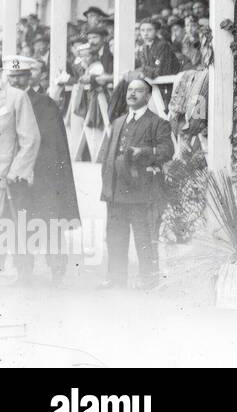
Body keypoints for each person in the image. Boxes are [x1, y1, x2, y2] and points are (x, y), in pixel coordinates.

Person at [4, 56, 79, 286]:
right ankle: (23, 270)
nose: (16, 81)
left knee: (49, 220)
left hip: (41, 174)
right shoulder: (4, 102)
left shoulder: (44, 104)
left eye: (21, 76)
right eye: (12, 77)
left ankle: (57, 270)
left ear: (30, 77)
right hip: (12, 175)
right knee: (17, 222)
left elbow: (51, 143)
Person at [96, 75, 174, 290]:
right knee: (115, 237)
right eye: (130, 90)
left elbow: (168, 151)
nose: (132, 93)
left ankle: (148, 280)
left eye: (138, 91)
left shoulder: (158, 123)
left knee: (143, 237)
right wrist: (106, 187)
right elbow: (108, 156)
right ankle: (115, 279)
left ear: (147, 96)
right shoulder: (118, 122)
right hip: (116, 193)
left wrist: (145, 152)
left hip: (141, 193)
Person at [0, 58, 41, 286]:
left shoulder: (16, 97)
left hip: (7, 177)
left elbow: (30, 138)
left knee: (15, 226)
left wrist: (15, 173)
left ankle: (22, 273)